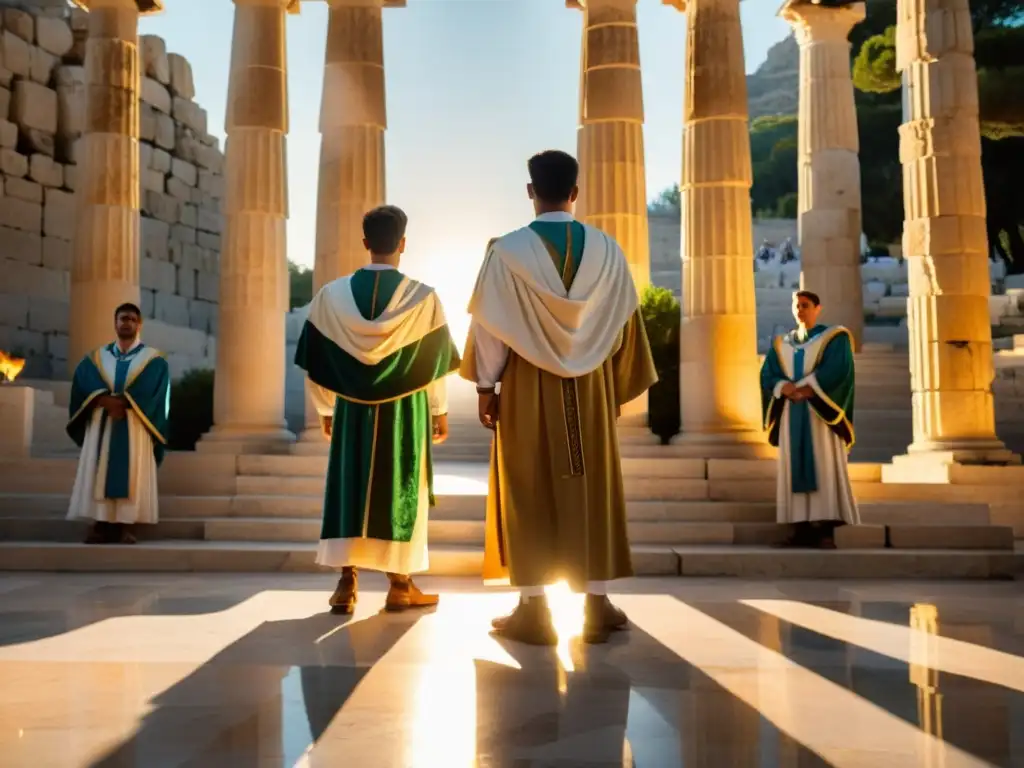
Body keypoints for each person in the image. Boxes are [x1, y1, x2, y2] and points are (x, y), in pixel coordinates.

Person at [460, 150, 658, 645]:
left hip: (528, 383)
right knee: (594, 489)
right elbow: (624, 326)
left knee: (527, 487)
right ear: (576, 192)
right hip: (590, 384)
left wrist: (487, 386)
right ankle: (597, 605)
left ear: (530, 191)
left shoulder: (505, 252)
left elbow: (490, 327)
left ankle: (534, 609)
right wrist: (610, 381)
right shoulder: (609, 252)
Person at [295, 205, 461, 615]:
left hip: (351, 410)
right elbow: (432, 368)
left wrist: (326, 409)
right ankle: (401, 585)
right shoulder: (424, 299)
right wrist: (439, 411)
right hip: (404, 410)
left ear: (365, 242)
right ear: (402, 244)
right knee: (401, 487)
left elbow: (316, 362)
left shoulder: (331, 297)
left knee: (349, 486)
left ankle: (345, 584)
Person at [760, 290, 859, 549]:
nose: (800, 310)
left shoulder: (834, 338)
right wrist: (784, 387)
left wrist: (808, 388)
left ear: (818, 308)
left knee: (823, 466)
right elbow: (767, 374)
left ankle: (825, 531)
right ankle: (800, 529)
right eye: (797, 306)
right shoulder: (782, 345)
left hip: (819, 414)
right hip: (792, 412)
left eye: (806, 305)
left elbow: (838, 370)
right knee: (793, 469)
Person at [67, 302, 171, 544]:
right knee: (99, 469)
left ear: (139, 324)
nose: (127, 323)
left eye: (132, 319)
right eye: (123, 318)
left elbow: (153, 387)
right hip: (102, 423)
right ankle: (100, 523)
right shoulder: (96, 357)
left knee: (131, 472)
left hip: (134, 425)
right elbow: (84, 380)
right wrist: (104, 400)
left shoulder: (153, 359)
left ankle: (125, 526)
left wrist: (124, 403)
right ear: (115, 323)